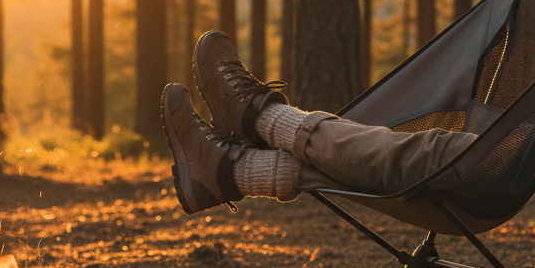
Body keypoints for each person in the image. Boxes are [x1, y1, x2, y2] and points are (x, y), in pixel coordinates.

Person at [161, 31, 478, 215]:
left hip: (488, 167)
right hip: (496, 165)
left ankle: (259, 125)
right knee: (455, 150)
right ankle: (229, 169)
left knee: (454, 153)